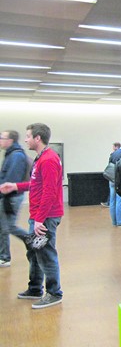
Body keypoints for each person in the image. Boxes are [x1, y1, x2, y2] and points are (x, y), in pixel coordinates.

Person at [0, 123, 64, 309]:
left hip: (45, 217)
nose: (25, 139)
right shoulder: (40, 158)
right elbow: (36, 184)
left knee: (46, 253)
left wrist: (39, 219)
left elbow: (50, 192)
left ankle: (54, 292)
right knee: (34, 253)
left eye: (28, 136)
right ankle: (35, 288)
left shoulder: (49, 159)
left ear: (38, 138)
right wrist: (15, 186)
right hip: (37, 214)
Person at [0, 130, 30, 267]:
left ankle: (31, 241)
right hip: (7, 196)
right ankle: (4, 256)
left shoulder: (16, 156)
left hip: (11, 197)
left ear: (10, 140)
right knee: (3, 227)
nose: (0, 140)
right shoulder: (11, 154)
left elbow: (11, 180)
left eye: (2, 137)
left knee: (9, 227)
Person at [108, 142, 121, 226]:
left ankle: (114, 221)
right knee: (120, 200)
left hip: (111, 179)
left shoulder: (113, 154)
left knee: (112, 201)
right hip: (119, 179)